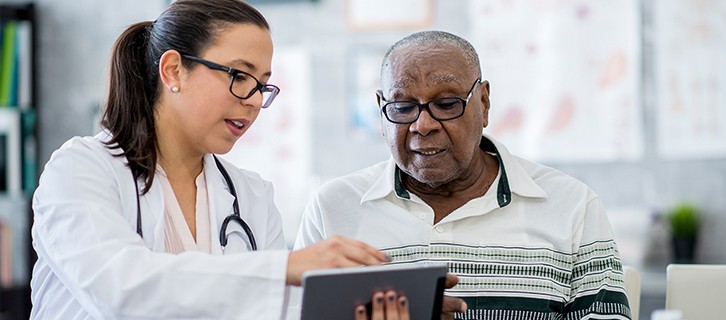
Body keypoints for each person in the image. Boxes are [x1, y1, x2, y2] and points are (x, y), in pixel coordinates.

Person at [29, 1, 406, 319]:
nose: (255, 100)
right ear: (173, 70)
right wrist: (284, 268)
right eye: (240, 75)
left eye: (262, 84)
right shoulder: (81, 169)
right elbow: (120, 288)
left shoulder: (251, 195)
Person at [295, 30, 632, 319]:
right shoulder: (333, 208)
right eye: (402, 107)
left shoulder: (571, 205)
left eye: (446, 104)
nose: (422, 125)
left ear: (483, 103)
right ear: (381, 112)